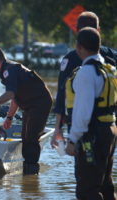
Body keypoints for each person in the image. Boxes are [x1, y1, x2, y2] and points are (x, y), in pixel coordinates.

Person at [0, 47, 53, 175]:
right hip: (30, 104)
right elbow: (16, 98)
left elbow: (10, 94)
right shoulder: (9, 68)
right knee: (25, 136)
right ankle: (28, 180)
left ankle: (31, 171)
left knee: (31, 137)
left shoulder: (9, 70)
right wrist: (9, 117)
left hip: (39, 103)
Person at [51, 11, 117, 148]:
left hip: (85, 131)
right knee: (105, 168)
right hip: (111, 126)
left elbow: (63, 95)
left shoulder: (71, 60)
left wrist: (58, 129)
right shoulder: (113, 58)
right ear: (98, 31)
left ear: (77, 32)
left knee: (86, 167)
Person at [65, 27, 117, 200]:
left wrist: (72, 139)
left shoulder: (86, 72)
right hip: (110, 129)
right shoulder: (109, 69)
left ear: (79, 47)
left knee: (87, 189)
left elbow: (83, 112)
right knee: (105, 184)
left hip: (92, 134)